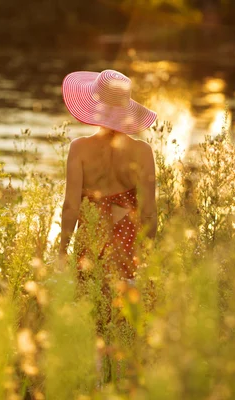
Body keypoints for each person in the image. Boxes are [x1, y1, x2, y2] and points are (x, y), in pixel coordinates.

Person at [58, 69, 158, 281]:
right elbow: (149, 212)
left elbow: (71, 207)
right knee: (124, 304)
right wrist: (147, 257)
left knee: (88, 301)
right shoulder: (142, 151)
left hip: (91, 234)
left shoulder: (79, 149)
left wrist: (62, 253)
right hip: (127, 238)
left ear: (95, 105)